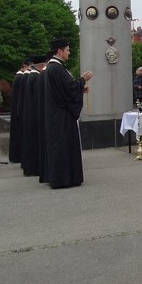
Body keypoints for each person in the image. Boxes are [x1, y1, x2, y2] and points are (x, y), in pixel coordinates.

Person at [43, 38, 93, 189]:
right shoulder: (56, 68)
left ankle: (62, 177)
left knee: (60, 145)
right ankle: (63, 178)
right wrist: (82, 80)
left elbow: (64, 89)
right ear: (60, 51)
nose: (69, 52)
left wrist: (79, 87)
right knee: (62, 146)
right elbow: (69, 89)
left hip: (56, 113)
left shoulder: (52, 68)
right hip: (62, 115)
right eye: (67, 50)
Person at [8, 58, 29, 164]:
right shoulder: (21, 78)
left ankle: (15, 155)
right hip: (20, 110)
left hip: (17, 109)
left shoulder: (18, 77)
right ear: (25, 66)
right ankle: (18, 156)